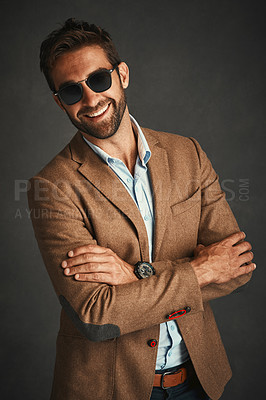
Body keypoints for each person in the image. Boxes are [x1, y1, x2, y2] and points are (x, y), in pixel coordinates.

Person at [28, 18, 255, 400]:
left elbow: (236, 267)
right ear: (58, 101)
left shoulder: (188, 154)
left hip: (198, 379)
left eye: (99, 79)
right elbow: (96, 315)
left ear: (123, 75)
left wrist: (133, 276)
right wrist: (200, 270)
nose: (90, 99)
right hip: (109, 389)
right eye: (71, 91)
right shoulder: (52, 187)